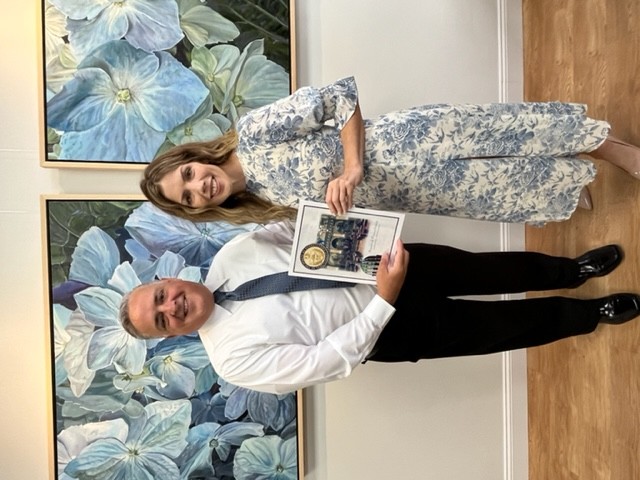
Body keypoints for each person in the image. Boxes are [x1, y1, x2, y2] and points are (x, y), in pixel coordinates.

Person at [119, 222, 640, 394]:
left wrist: (358, 233)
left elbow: (299, 232)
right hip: (388, 330)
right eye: (162, 321)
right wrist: (384, 301)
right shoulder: (231, 361)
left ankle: (570, 271)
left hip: (385, 265)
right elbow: (323, 361)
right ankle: (590, 314)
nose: (172, 307)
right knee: (500, 327)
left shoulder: (233, 254)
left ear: (166, 280)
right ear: (170, 336)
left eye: (160, 297)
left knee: (485, 269)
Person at [140, 76, 640, 225]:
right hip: (413, 193)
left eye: (188, 176)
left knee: (506, 133)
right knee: (500, 190)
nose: (198, 187)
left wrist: (351, 168)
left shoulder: (253, 134)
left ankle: (607, 146)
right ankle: (569, 176)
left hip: (410, 140)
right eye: (188, 198)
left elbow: (340, 98)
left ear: (193, 159)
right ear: (198, 209)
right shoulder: (262, 204)